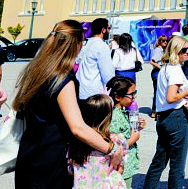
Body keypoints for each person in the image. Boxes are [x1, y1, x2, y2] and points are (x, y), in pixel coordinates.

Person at [14, 20, 123, 188]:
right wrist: (113, 149)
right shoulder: (62, 78)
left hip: (29, 154)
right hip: (50, 160)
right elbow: (78, 128)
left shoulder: (37, 70)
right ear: (76, 44)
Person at [143, 36, 188, 189]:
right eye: (184, 50)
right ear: (176, 51)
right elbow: (171, 97)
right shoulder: (175, 71)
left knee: (159, 161)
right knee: (177, 165)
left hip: (163, 118)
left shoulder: (166, 68)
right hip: (176, 117)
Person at [68, 94, 128, 189]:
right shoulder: (116, 140)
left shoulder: (76, 142)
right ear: (108, 116)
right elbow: (120, 169)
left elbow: (71, 170)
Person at [107, 76, 146, 189]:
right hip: (120, 166)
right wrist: (133, 139)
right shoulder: (114, 116)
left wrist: (137, 126)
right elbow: (113, 146)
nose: (134, 98)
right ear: (118, 97)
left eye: (135, 93)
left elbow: (126, 131)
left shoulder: (123, 111)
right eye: (131, 95)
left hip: (126, 165)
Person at [77, 18, 116, 100]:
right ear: (103, 30)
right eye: (108, 28)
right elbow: (107, 74)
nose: (109, 31)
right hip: (94, 92)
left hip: (80, 89)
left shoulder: (84, 44)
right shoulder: (101, 46)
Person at [150, 35, 168, 118]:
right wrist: (161, 68)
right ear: (159, 41)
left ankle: (158, 109)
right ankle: (154, 110)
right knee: (157, 91)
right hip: (157, 72)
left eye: (166, 41)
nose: (165, 42)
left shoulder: (163, 50)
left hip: (160, 72)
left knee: (160, 91)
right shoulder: (158, 50)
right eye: (163, 40)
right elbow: (152, 61)